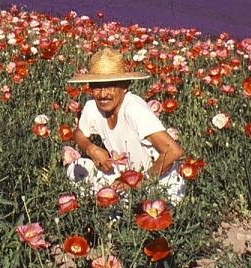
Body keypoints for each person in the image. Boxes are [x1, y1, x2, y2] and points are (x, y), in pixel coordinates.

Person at [66, 47, 186, 203]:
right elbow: (79, 133)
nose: (103, 94)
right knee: (76, 167)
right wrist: (91, 148)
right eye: (97, 86)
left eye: (110, 86)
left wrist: (138, 182)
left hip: (158, 179)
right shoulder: (92, 107)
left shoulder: (133, 109)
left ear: (124, 85)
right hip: (122, 174)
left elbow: (174, 151)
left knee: (118, 204)